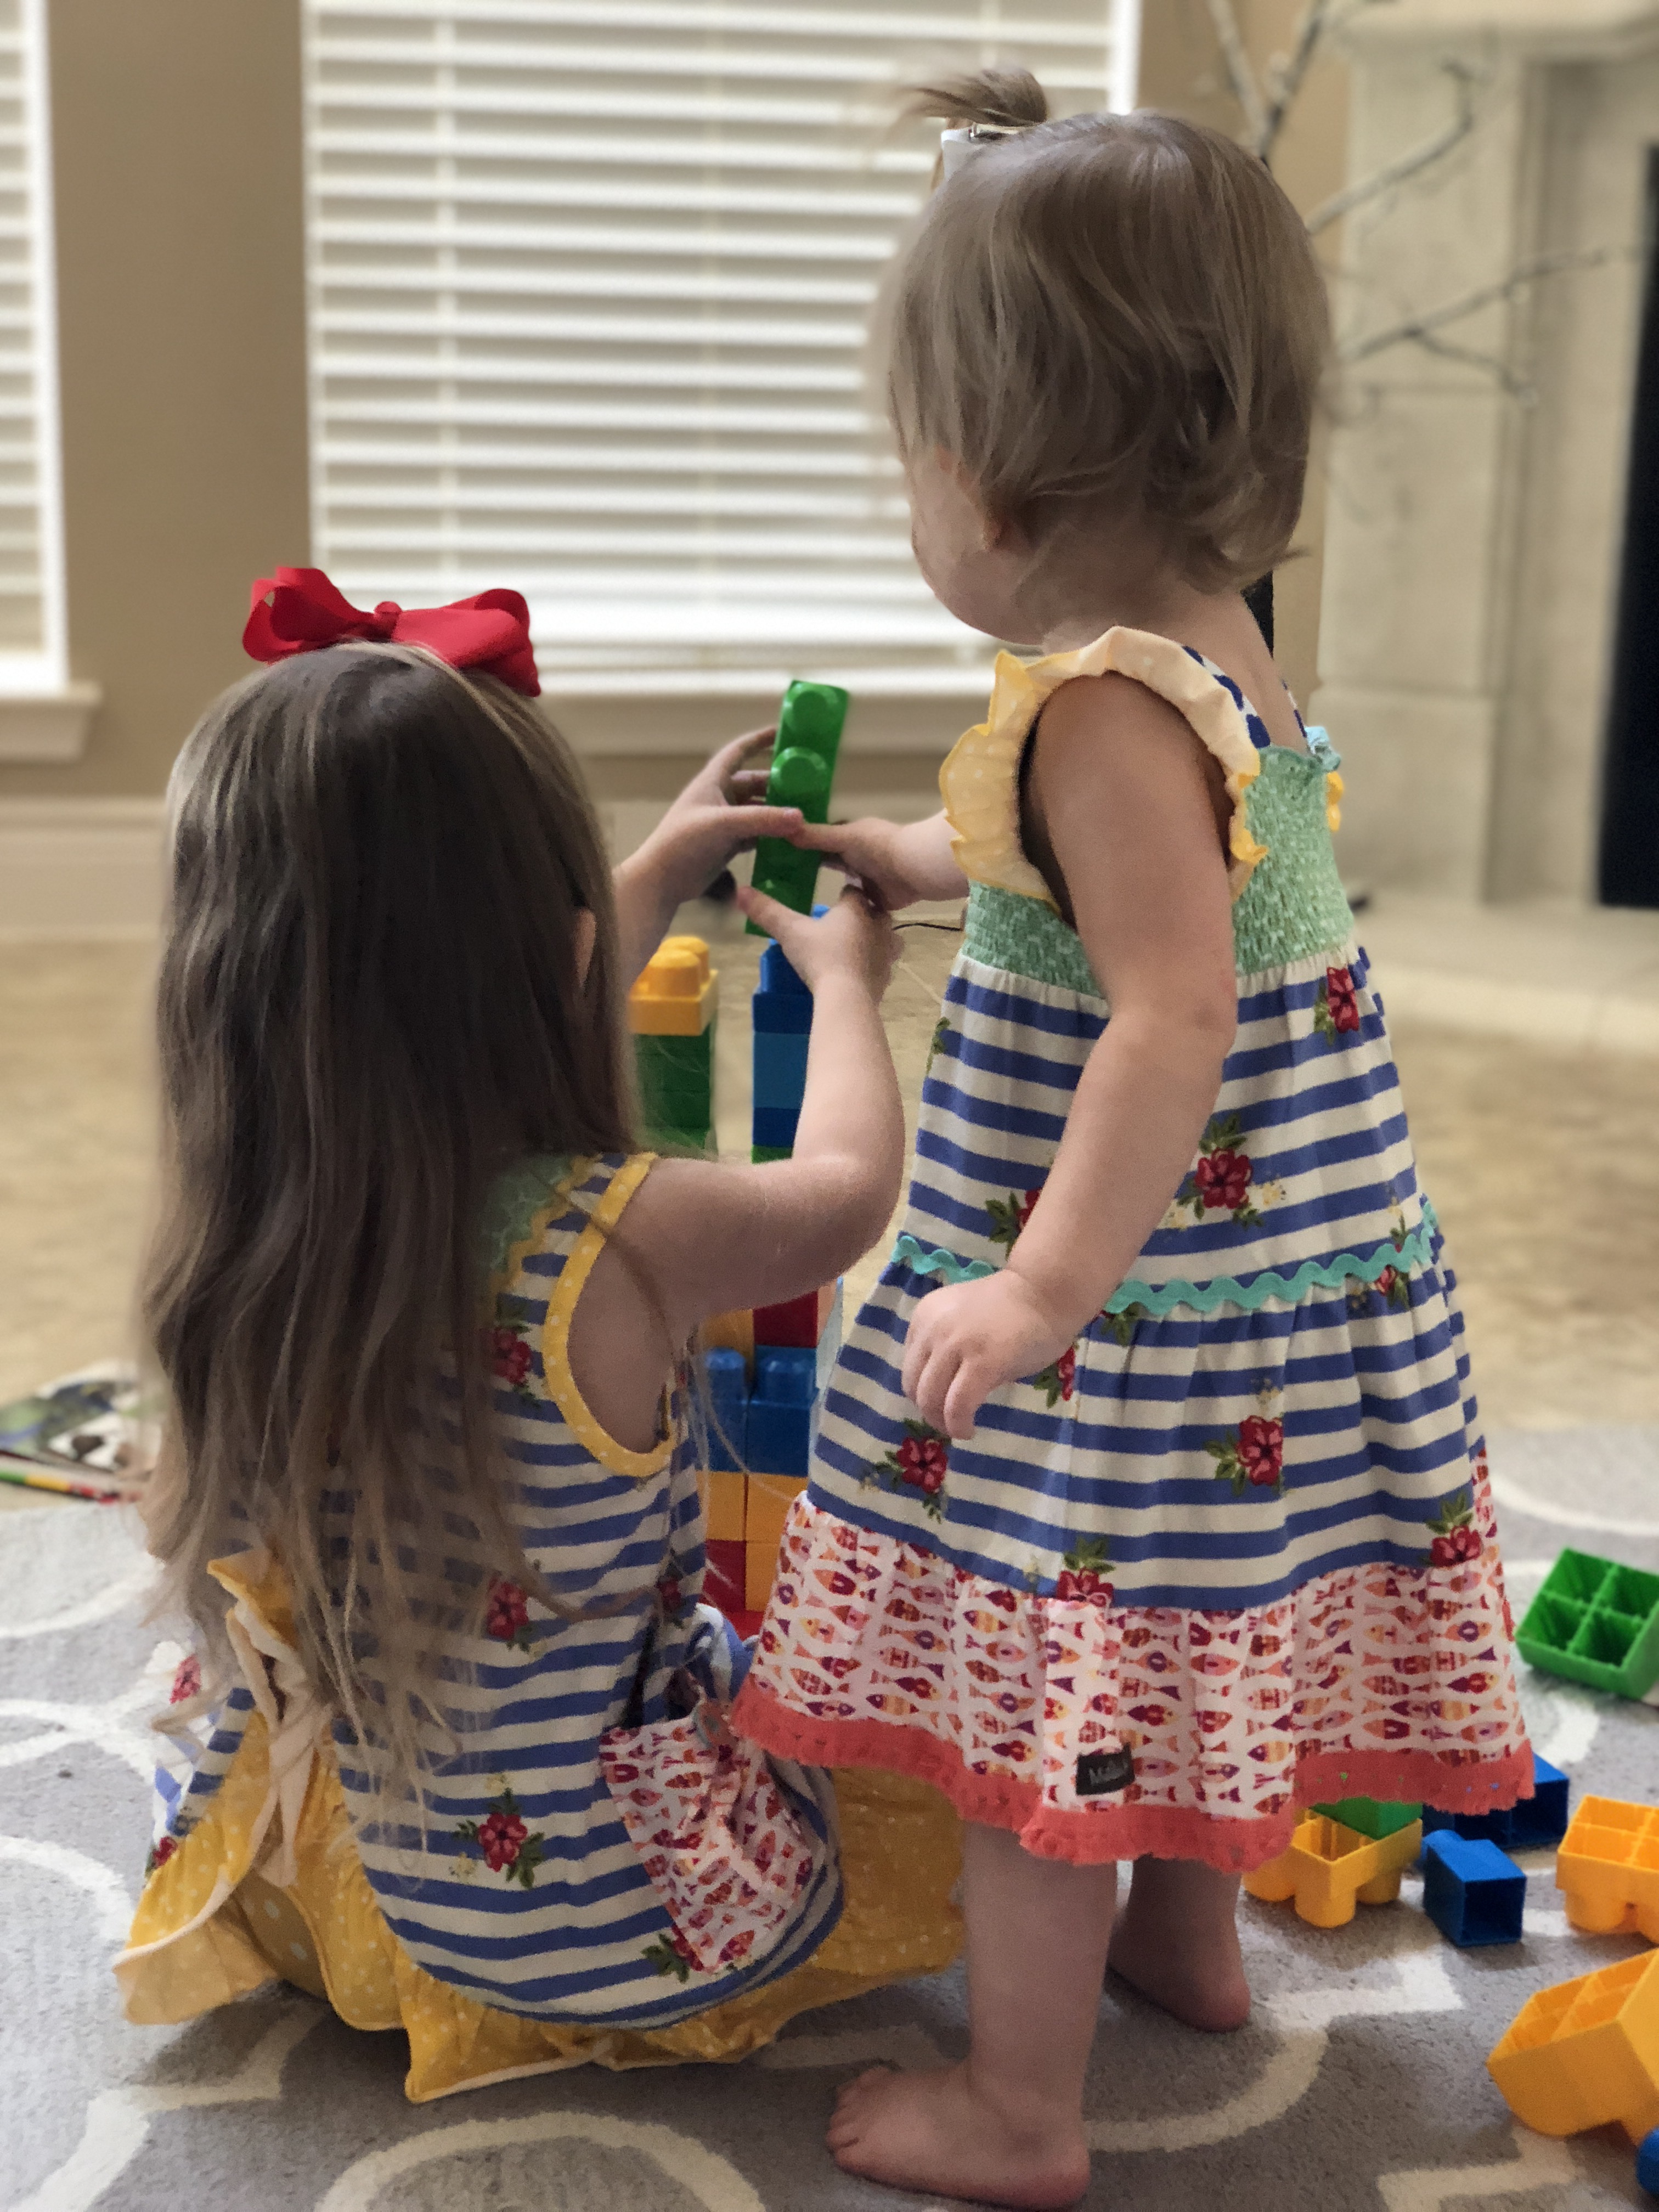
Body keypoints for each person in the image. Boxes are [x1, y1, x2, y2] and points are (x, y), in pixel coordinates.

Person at [730, 74, 1533, 2208]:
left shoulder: (1093, 711)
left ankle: (1020, 2104)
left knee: (1052, 1699)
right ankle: (1185, 1940)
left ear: (996, 483)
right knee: (1183, 1625)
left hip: (1133, 1306)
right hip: (1272, 1288)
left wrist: (1035, 1287)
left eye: (910, 450)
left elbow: (1172, 1009)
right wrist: (896, 855)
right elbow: (1081, 878)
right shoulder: (1205, 648)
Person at [115, 568, 960, 2100]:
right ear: (571, 960)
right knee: (935, 1708)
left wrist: (661, 866)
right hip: (630, 1917)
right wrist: (844, 987)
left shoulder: (245, 1252)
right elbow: (843, 1191)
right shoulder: (623, 1233)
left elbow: (441, 1008)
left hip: (364, 1891)